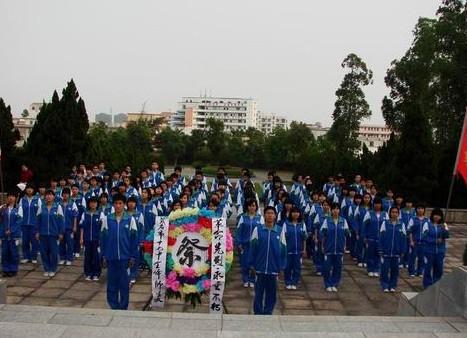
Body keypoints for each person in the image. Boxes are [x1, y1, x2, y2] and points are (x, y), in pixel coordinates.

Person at [101, 193, 139, 310]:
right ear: (113, 205)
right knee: (111, 284)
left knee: (124, 284)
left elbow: (134, 239)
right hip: (111, 258)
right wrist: (103, 255)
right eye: (116, 203)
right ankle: (113, 306)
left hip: (125, 258)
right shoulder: (107, 219)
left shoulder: (130, 219)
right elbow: (103, 239)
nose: (118, 206)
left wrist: (132, 256)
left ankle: (123, 307)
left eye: (120, 203)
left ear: (124, 205)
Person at [249, 206, 287, 315]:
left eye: (272, 213)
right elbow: (253, 248)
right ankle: (258, 312)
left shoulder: (280, 231)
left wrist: (282, 266)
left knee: (272, 293)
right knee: (258, 293)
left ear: (275, 216)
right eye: (267, 213)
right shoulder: (258, 230)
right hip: (259, 268)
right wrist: (252, 264)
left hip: (273, 269)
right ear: (264, 215)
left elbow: (284, 250)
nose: (270, 215)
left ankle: (268, 312)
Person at [320, 202, 349, 292]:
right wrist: (322, 246)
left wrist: (345, 246)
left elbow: (346, 235)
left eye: (337, 209)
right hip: (329, 248)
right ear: (331, 210)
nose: (335, 211)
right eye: (334, 209)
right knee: (327, 268)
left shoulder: (343, 221)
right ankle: (327, 284)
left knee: (338, 267)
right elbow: (323, 235)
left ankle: (334, 283)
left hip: (339, 249)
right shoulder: (327, 221)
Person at [235, 198, 263, 288]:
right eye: (250, 206)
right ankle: (245, 279)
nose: (252, 207)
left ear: (256, 207)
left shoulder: (260, 218)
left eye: (254, 206)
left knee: (254, 263)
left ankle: (252, 279)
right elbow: (239, 231)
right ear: (247, 207)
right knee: (245, 263)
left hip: (256, 245)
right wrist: (239, 243)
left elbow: (262, 231)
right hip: (245, 245)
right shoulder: (243, 217)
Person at [36, 189, 64, 277]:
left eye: (51, 195)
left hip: (53, 234)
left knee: (54, 253)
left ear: (54, 197)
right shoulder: (42, 207)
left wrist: (60, 233)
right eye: (47, 195)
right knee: (44, 253)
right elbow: (38, 221)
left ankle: (53, 269)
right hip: (43, 234)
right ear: (45, 197)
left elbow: (61, 221)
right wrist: (37, 232)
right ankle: (46, 268)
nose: (49, 196)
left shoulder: (58, 207)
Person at [379, 206, 407, 292]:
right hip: (386, 251)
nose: (394, 214)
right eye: (393, 212)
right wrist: (380, 249)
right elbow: (381, 237)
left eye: (396, 212)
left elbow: (404, 238)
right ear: (390, 213)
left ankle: (392, 285)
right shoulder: (385, 223)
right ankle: (385, 285)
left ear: (398, 214)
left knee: (395, 270)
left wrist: (403, 250)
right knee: (384, 269)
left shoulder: (401, 224)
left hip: (396, 252)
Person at [422, 208, 449, 289]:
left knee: (439, 269)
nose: (437, 217)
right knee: (427, 269)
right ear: (432, 215)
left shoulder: (444, 224)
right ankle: (427, 285)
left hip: (440, 251)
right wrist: (434, 240)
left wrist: (444, 229)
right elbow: (424, 236)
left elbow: (447, 235)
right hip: (429, 251)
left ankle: (436, 284)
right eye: (435, 215)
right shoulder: (427, 224)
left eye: (439, 215)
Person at [362, 197, 388, 277]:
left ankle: (376, 269)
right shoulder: (369, 213)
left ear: (381, 204)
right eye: (376, 203)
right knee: (370, 254)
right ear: (373, 204)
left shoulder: (385, 214)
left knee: (379, 254)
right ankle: (370, 269)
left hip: (381, 238)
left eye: (379, 203)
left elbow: (387, 226)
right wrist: (365, 237)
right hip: (371, 238)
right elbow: (364, 226)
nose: (377, 205)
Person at [283, 207, 307, 290]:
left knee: (297, 268)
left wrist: (304, 249)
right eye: (293, 212)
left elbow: (304, 238)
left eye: (297, 212)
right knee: (287, 268)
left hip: (298, 251)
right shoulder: (286, 224)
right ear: (291, 213)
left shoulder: (302, 224)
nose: (295, 214)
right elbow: (283, 238)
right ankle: (288, 282)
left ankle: (294, 282)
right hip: (288, 250)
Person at [0, 192, 23, 277]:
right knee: (5, 253)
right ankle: (5, 269)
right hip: (4, 235)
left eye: (12, 196)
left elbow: (19, 221)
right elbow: (1, 221)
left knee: (14, 253)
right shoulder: (3, 208)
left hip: (14, 235)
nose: (10, 198)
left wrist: (11, 230)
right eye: (9, 196)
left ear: (15, 198)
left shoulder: (18, 208)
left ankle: (13, 269)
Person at [79, 197, 102, 281]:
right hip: (87, 239)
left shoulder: (100, 214)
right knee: (87, 257)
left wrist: (101, 239)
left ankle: (96, 273)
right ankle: (88, 273)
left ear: (97, 204)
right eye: (91, 202)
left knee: (96, 257)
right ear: (89, 204)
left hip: (96, 240)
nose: (93, 204)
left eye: (95, 203)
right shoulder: (85, 214)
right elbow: (82, 227)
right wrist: (81, 238)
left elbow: (102, 228)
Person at [19, 184, 41, 264]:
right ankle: (26, 257)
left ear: (33, 190)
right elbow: (20, 212)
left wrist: (38, 224)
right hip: (24, 224)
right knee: (25, 241)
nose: (29, 190)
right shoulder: (22, 199)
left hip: (34, 224)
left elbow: (39, 213)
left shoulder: (37, 199)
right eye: (28, 188)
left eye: (31, 188)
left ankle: (34, 257)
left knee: (34, 241)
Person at [407, 203, 429, 277]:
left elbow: (429, 231)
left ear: (424, 210)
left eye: (422, 208)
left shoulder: (427, 220)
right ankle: (411, 272)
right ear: (416, 210)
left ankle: (420, 271)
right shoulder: (413, 219)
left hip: (423, 242)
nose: (420, 210)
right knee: (412, 257)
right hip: (415, 241)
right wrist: (411, 241)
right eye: (419, 208)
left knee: (422, 258)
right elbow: (410, 231)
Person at [59, 188, 78, 266]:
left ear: (69, 195)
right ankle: (62, 258)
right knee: (61, 243)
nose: (65, 195)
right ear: (62, 195)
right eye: (64, 193)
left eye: (67, 193)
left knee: (70, 243)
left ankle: (69, 258)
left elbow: (75, 216)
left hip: (69, 227)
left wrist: (74, 226)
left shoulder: (72, 204)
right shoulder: (59, 204)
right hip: (60, 228)